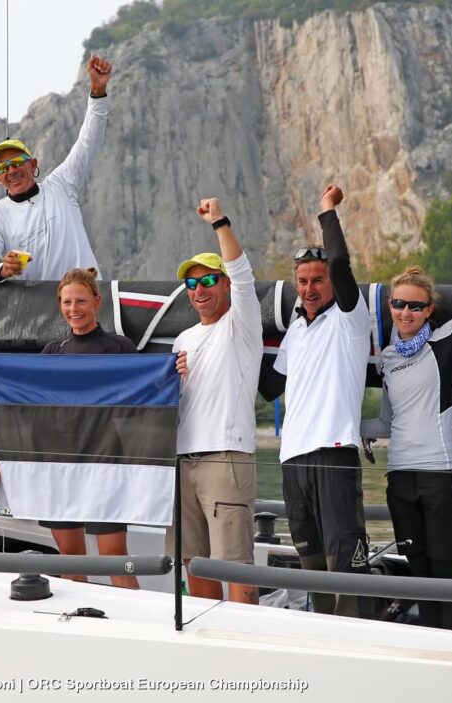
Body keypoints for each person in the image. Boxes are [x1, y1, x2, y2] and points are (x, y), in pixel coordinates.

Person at [361, 192, 452, 631]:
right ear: (390, 308)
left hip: (444, 477)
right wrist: (343, 428)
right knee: (418, 569)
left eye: (415, 306)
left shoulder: (446, 340)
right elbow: (387, 423)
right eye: (398, 304)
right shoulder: (386, 358)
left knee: (445, 569)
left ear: (429, 311)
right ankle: (429, 646)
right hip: (400, 477)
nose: (405, 311)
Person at [273, 184, 372, 618]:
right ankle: (322, 631)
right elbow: (267, 384)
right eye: (302, 282)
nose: (309, 288)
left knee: (341, 557)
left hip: (333, 452)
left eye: (317, 280)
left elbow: (341, 262)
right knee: (309, 558)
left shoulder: (351, 319)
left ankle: (352, 636)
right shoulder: (296, 329)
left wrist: (326, 212)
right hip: (292, 458)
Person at [167, 197, 262, 604]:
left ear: (224, 285)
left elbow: (242, 274)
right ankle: (209, 640)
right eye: (191, 284)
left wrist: (219, 222)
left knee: (234, 565)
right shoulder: (183, 339)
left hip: (225, 458)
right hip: (181, 460)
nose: (199, 290)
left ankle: (248, 647)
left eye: (208, 281)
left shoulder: (241, 324)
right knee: (192, 563)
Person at [37, 267, 140, 588]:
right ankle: (80, 626)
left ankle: (138, 628)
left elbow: (144, 397)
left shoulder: (120, 348)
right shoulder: (51, 352)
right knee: (70, 558)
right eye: (67, 302)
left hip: (107, 465)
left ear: (97, 301)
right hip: (62, 466)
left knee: (115, 558)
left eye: (80, 301)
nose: (73, 309)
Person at [0, 55, 112, 283]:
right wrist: (2, 269)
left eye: (17, 163)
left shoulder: (61, 184)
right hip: (37, 312)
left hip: (86, 298)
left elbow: (89, 141)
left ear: (33, 164)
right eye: (3, 168)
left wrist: (97, 91)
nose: (12, 171)